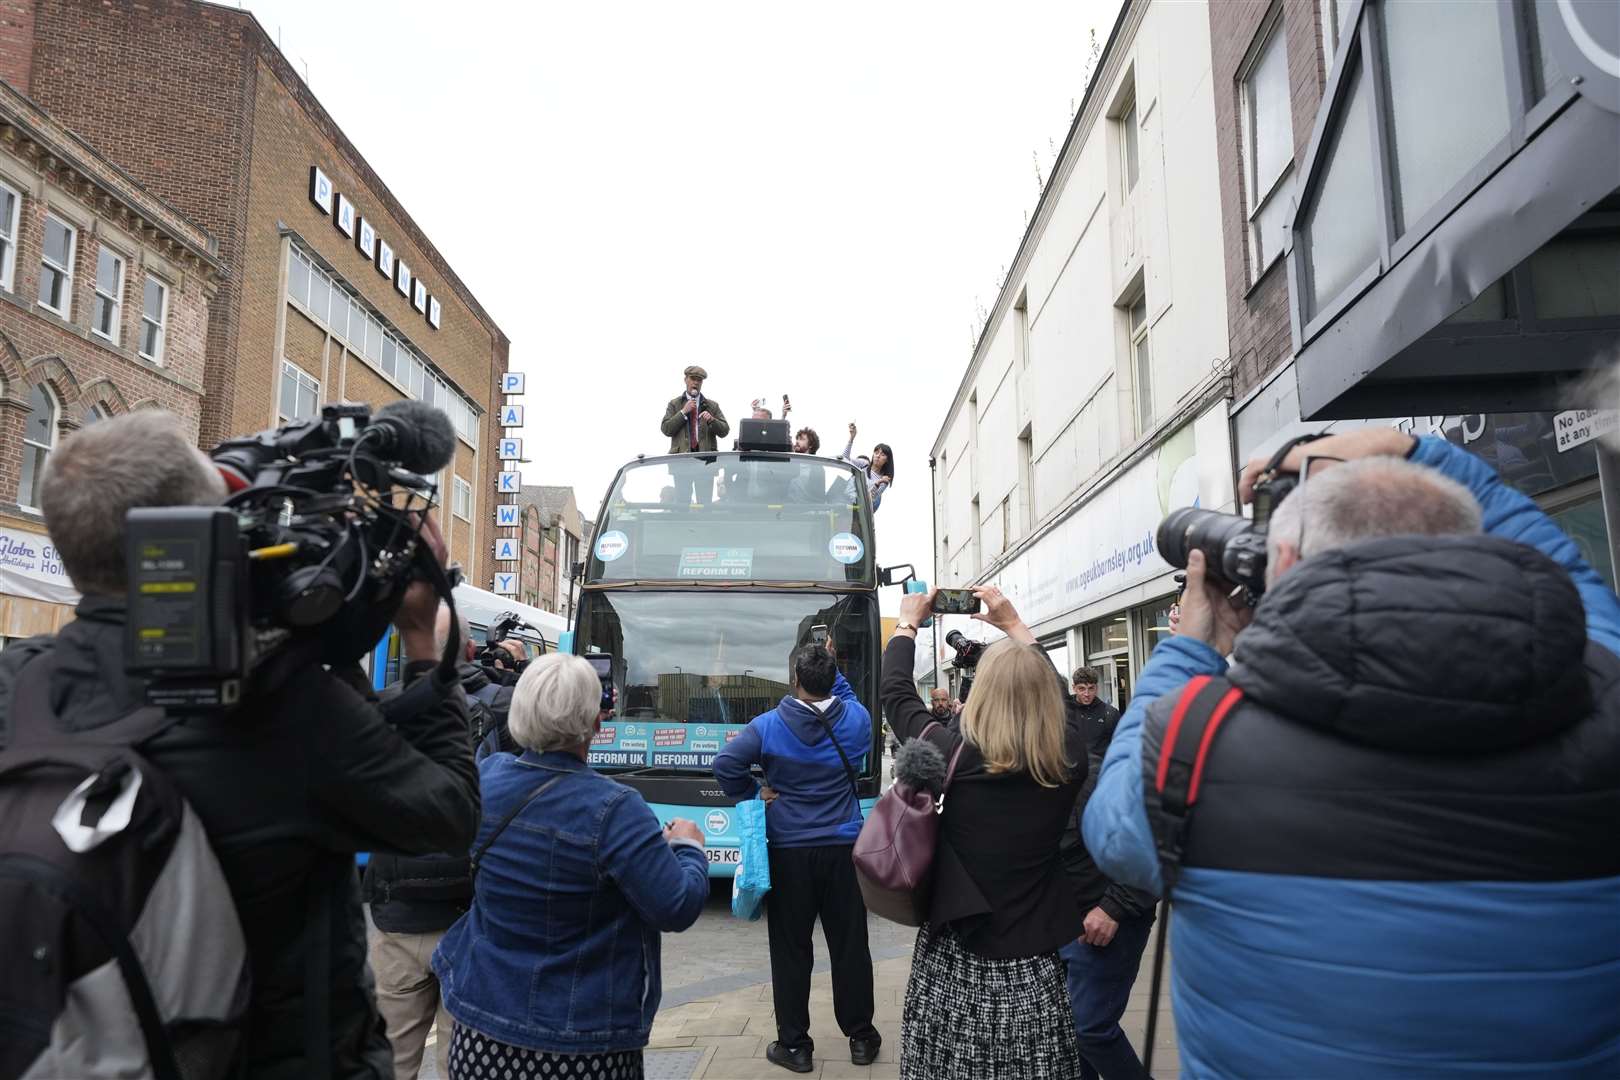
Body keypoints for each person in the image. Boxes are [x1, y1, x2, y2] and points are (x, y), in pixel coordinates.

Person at [1083, 427, 1620, 1077]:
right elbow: (1556, 556)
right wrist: (1407, 448)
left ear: (1281, 560)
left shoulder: (1197, 743)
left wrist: (1189, 649)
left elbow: (1113, 829)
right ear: (1475, 544)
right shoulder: (1602, 694)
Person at [0, 410, 479, 1079]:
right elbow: (448, 814)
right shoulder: (284, 704)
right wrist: (425, 644)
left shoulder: (18, 683)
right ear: (199, 533)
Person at [433, 653, 711, 1079]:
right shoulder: (616, 809)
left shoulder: (486, 779)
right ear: (596, 722)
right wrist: (688, 848)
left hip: (481, 1025)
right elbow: (675, 906)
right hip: (581, 1041)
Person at [886, 586, 1087, 1079]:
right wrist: (1014, 624)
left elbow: (895, 694)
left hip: (955, 965)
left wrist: (908, 624)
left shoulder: (949, 755)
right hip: (1033, 970)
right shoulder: (1068, 759)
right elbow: (1055, 701)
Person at [712, 642, 882, 1074]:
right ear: (832, 680)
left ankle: (795, 1046)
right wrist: (832, 664)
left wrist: (754, 794)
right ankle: (861, 1038)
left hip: (789, 852)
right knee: (851, 947)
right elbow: (845, 698)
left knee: (791, 951)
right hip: (844, 849)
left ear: (794, 681)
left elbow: (726, 764)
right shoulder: (857, 720)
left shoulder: (767, 725)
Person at [362, 608, 499, 1080]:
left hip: (395, 914)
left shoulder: (378, 711)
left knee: (392, 1057)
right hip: (467, 916)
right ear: (469, 648)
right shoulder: (499, 707)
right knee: (461, 1059)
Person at [1056, 691, 1154, 1079]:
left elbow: (1155, 842)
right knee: (1069, 1030)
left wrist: (1116, 905)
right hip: (1062, 921)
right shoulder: (1029, 774)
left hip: (1109, 921)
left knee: (1090, 1028)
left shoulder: (1101, 776)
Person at [661, 364, 729, 453]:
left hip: (706, 461)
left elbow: (724, 431)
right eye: (693, 379)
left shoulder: (712, 405)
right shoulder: (674, 404)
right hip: (681, 460)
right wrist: (683, 412)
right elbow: (666, 429)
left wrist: (712, 420)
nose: (696, 382)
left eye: (699, 380)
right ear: (685, 380)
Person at [839, 422, 894, 510]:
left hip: (856, 508)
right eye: (876, 452)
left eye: (882, 454)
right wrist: (851, 438)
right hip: (841, 499)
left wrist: (877, 484)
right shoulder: (864, 464)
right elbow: (844, 459)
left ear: (887, 460)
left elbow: (871, 500)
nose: (878, 456)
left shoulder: (883, 480)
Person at [1070, 667, 1120, 757]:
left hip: (1100, 769)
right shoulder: (1065, 711)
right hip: (1071, 769)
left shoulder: (1110, 714)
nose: (1087, 694)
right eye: (1082, 689)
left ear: (1096, 688)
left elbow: (1121, 745)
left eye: (1091, 688)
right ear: (1074, 688)